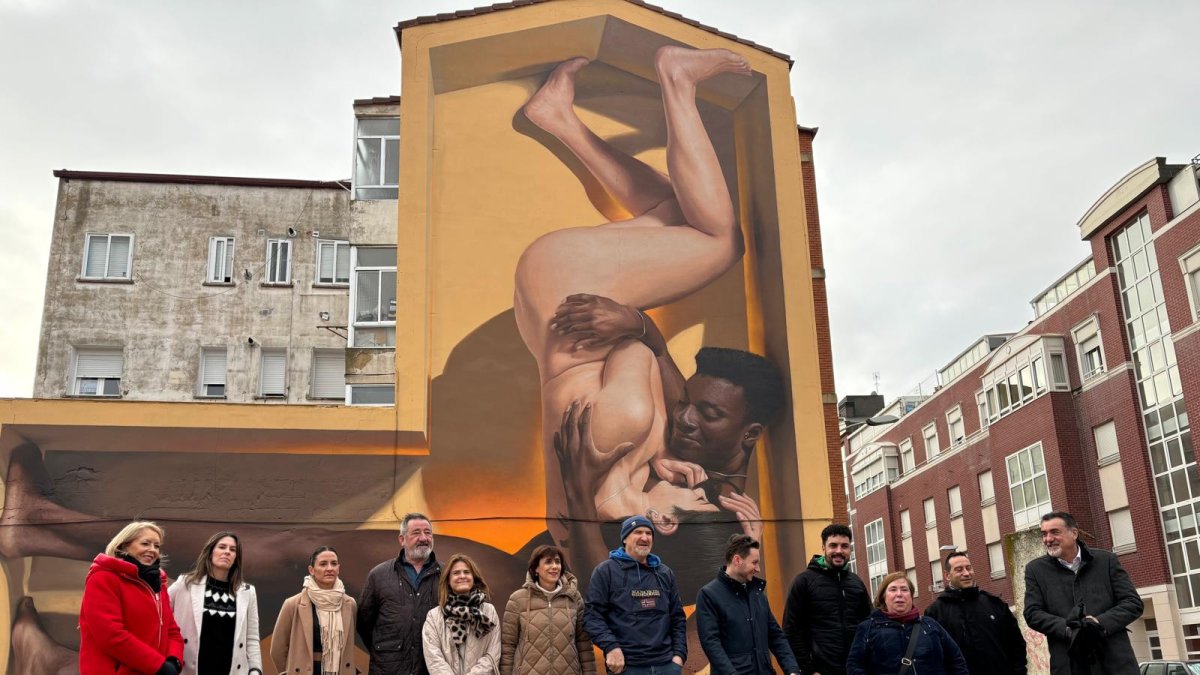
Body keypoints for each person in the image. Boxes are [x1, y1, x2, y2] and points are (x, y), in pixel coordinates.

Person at [513, 47, 756, 552]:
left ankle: (676, 78)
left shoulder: (624, 431)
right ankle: (556, 117)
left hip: (569, 287)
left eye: (698, 503)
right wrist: (658, 461)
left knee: (721, 241)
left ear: (665, 522)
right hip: (548, 315)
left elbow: (633, 347)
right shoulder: (608, 485)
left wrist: (658, 446)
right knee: (674, 208)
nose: (697, 487)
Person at [1023, 511, 1143, 675]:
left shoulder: (1106, 561)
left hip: (1116, 664)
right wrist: (1069, 629)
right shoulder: (1035, 570)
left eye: (1054, 532)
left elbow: (1133, 603)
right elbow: (1032, 613)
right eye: (1044, 534)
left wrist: (1099, 623)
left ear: (1074, 533)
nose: (1048, 539)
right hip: (1068, 665)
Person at [584, 515, 687, 674]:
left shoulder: (665, 573)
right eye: (637, 532)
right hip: (627, 667)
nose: (644, 537)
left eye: (649, 533)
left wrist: (679, 655)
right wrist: (611, 648)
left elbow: (677, 617)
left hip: (667, 665)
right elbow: (592, 616)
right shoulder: (606, 571)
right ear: (624, 539)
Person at [78, 520, 185, 675]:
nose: (152, 550)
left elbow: (172, 631)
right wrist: (158, 666)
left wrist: (174, 660)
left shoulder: (158, 583)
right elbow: (110, 635)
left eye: (157, 546)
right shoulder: (103, 578)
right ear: (123, 546)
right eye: (145, 543)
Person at [695, 534, 799, 675]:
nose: (758, 569)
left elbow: (776, 636)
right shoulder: (709, 595)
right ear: (737, 560)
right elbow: (711, 645)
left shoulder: (758, 594)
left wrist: (792, 670)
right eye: (754, 562)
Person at [168, 531, 265, 675]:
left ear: (236, 558)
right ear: (210, 552)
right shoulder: (185, 583)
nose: (227, 552)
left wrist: (256, 670)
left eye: (233, 550)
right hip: (190, 669)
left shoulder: (247, 592)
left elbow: (251, 638)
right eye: (222, 547)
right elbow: (161, 616)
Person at [358, 512, 443, 675]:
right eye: (416, 533)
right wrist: (386, 650)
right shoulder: (379, 575)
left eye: (428, 533)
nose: (424, 538)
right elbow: (364, 623)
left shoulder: (446, 575)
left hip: (432, 669)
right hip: (388, 669)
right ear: (402, 539)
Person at [782, 523, 871, 675]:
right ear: (823, 548)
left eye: (844, 546)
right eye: (833, 545)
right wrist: (809, 670)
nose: (839, 551)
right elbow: (791, 631)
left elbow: (869, 625)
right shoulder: (803, 582)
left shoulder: (856, 583)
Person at [924, 551, 1026, 675]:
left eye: (968, 568)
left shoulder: (994, 604)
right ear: (947, 575)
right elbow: (932, 656)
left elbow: (1016, 644)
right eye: (959, 570)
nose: (966, 573)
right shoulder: (935, 612)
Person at [845, 572, 967, 675]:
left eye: (904, 589)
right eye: (893, 590)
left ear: (911, 595)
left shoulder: (930, 625)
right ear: (883, 597)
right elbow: (854, 666)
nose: (899, 594)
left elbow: (956, 660)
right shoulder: (868, 628)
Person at [500, 544, 595, 675]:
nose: (555, 566)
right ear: (536, 568)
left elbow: (584, 643)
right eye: (548, 562)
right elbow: (508, 646)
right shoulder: (517, 600)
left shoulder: (574, 597)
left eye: (557, 562)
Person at [271, 546, 357, 675]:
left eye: (333, 564)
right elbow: (277, 649)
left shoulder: (349, 604)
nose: (329, 568)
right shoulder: (293, 604)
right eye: (323, 564)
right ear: (311, 570)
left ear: (338, 568)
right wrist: (288, 672)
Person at [422, 553, 501, 675]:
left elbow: (492, 653)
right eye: (456, 573)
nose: (462, 576)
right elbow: (434, 658)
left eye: (467, 572)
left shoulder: (489, 611)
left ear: (473, 577)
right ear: (448, 580)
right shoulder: (434, 616)